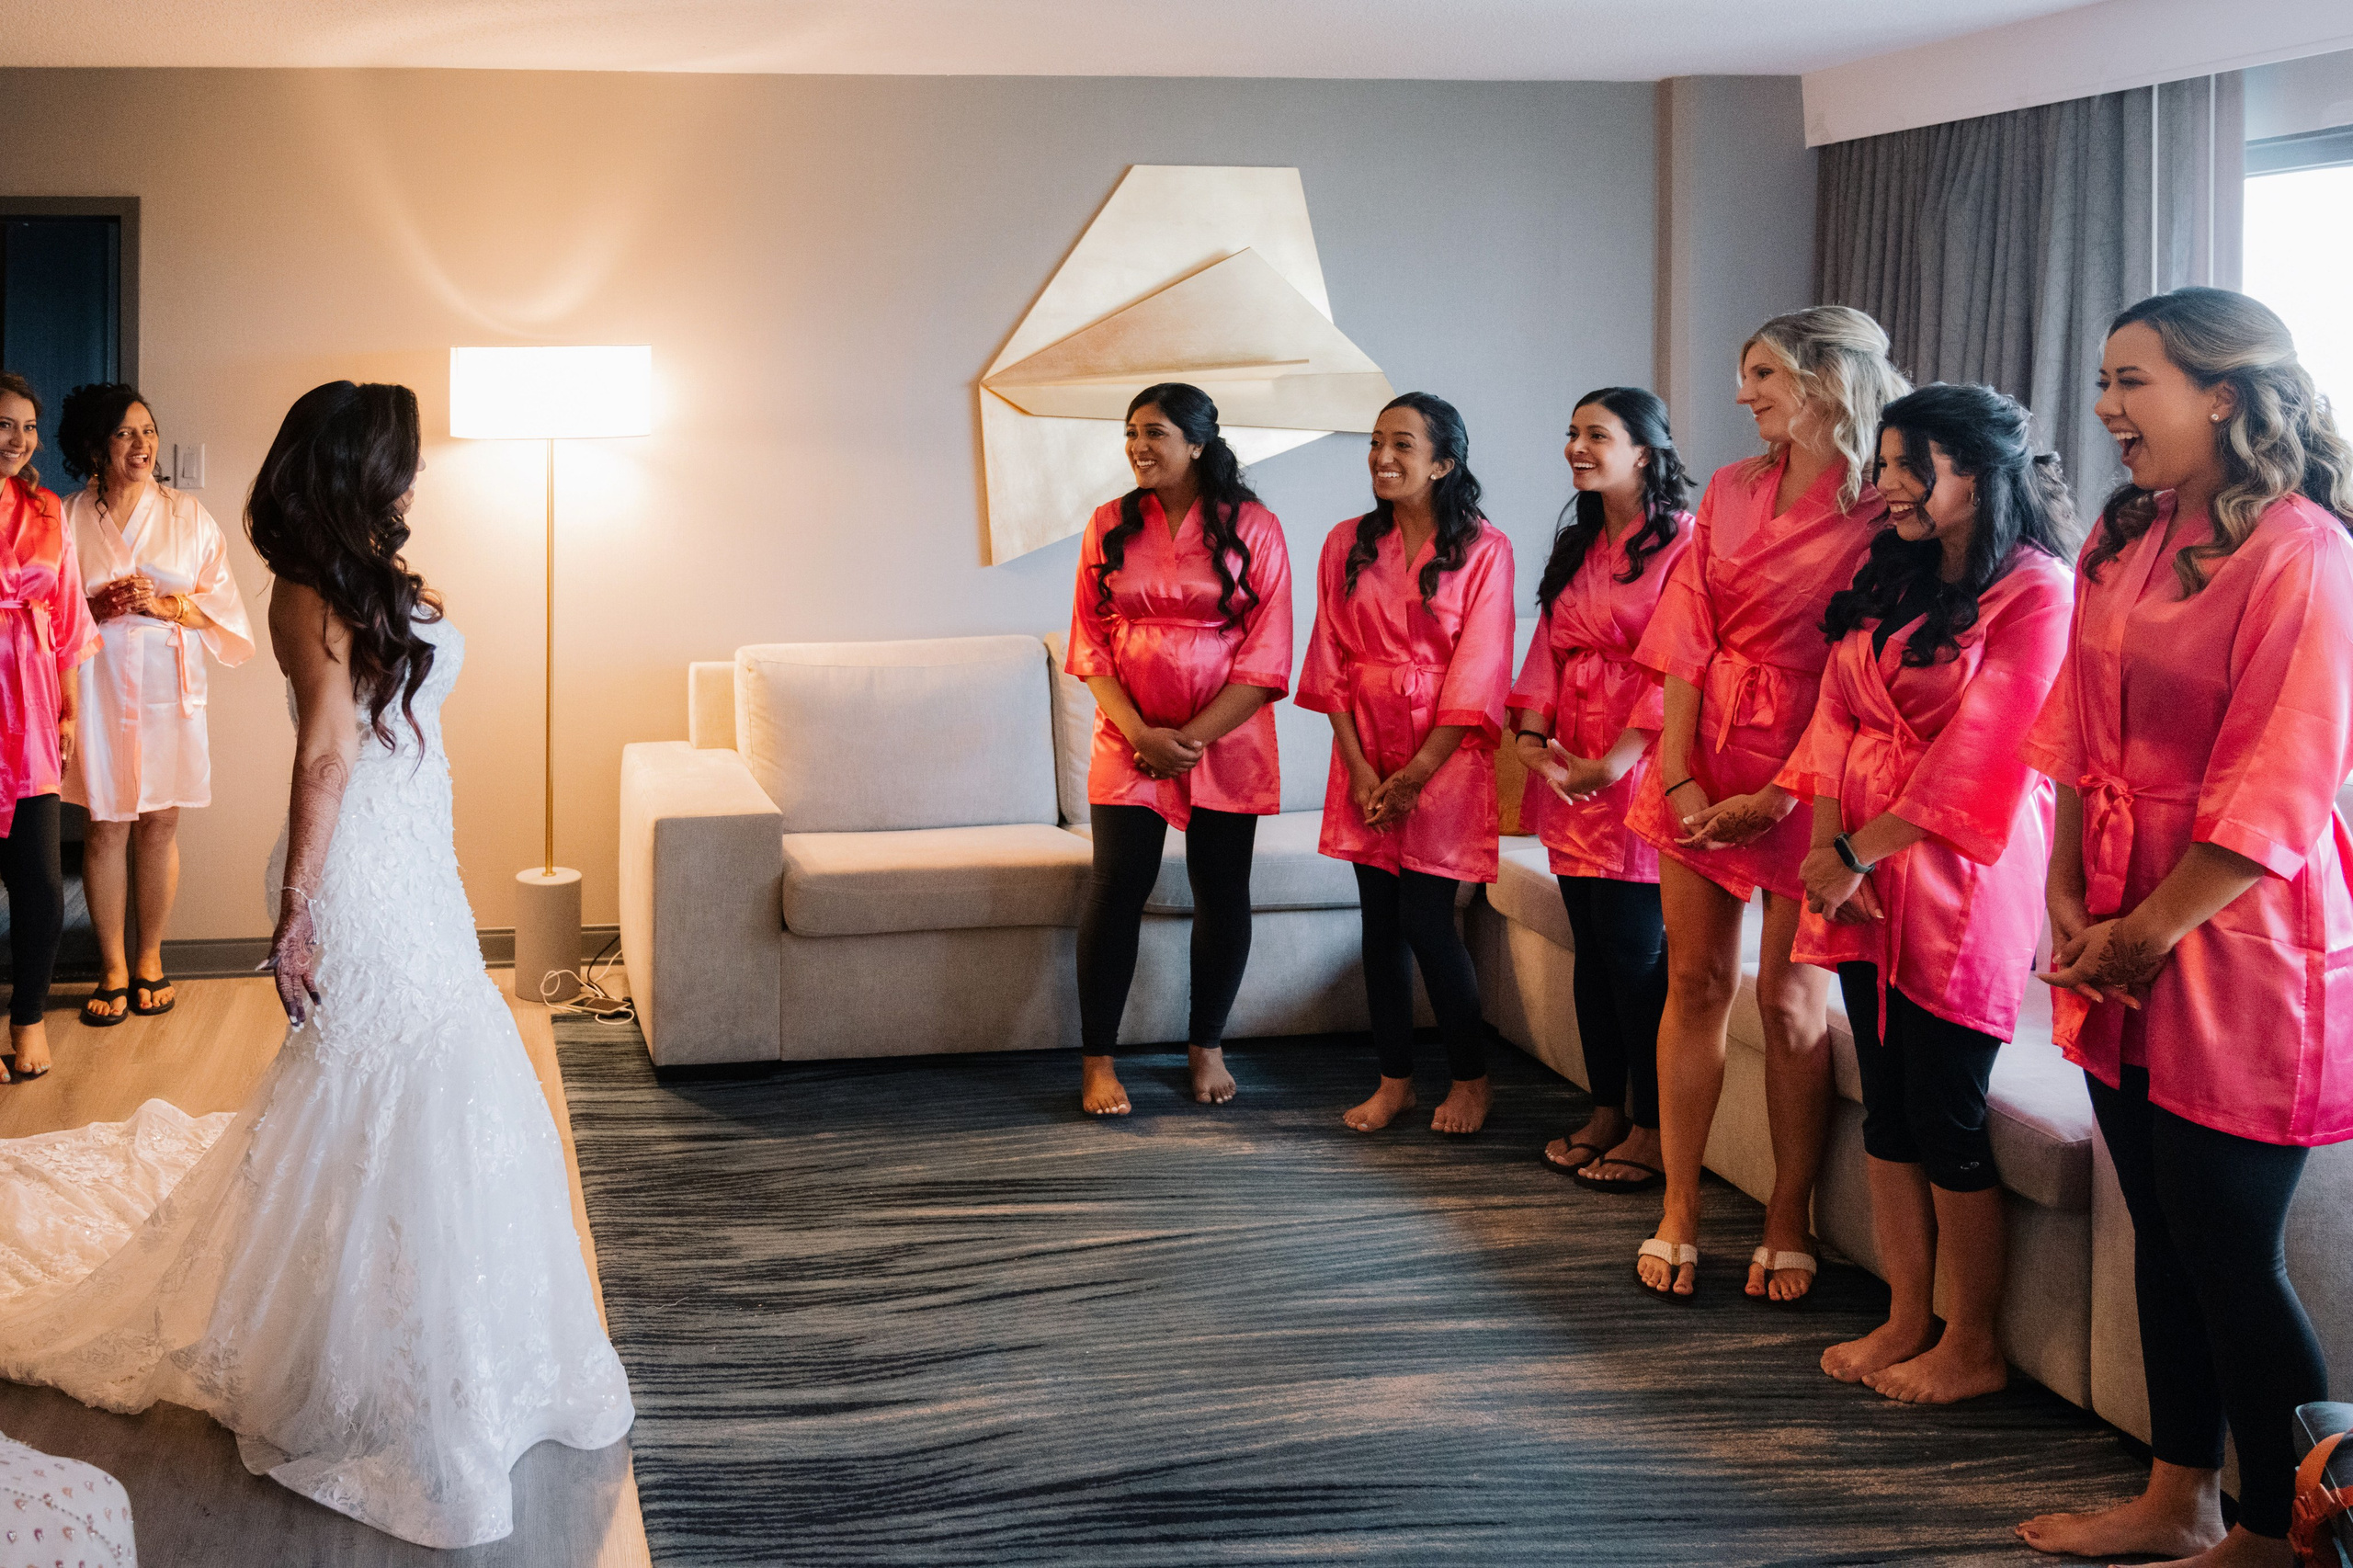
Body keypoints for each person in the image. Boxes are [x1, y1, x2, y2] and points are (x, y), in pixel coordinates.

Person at [0, 381, 632, 1548]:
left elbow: (403, 728)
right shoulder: (300, 591)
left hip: (417, 854)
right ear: (354, 468)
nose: (416, 479)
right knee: (380, 1070)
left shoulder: (373, 576)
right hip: (348, 870)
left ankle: (440, 1327)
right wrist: (297, 911)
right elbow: (327, 751)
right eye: (402, 460)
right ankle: (357, 1352)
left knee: (443, 1065)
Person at [2014, 289, 2353, 1568]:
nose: (2106, 408)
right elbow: (2068, 732)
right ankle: (2177, 1495)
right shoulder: (2128, 534)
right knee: (2157, 1219)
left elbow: (2285, 774)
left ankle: (2289, 1527)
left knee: (2229, 1244)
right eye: (2104, 379)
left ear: (2223, 392)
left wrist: (2150, 925)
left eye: (2132, 380)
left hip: (2238, 930)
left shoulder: (2304, 549)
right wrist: (2064, 894)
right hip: (2114, 908)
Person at [1784, 384, 2073, 1403]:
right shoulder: (1892, 573)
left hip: (1961, 882)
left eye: (1913, 467)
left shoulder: (2035, 589)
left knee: (1946, 1107)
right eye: (1886, 463)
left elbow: (1990, 751)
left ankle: (1973, 1341)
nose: (1889, 486)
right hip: (1859, 868)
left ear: (1979, 474)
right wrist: (1829, 850)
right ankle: (1907, 1312)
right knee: (1889, 1110)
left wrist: (1857, 851)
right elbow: (1834, 716)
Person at [1628, 305, 1908, 1301]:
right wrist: (1674, 772)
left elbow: (1867, 667)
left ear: (1825, 378)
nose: (1742, 394)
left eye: (1760, 374)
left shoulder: (1885, 505)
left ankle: (1788, 1213)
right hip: (1706, 744)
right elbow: (1683, 632)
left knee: (1790, 1001)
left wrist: (1780, 789)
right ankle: (1679, 1204)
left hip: (1818, 765)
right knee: (1695, 981)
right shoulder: (1729, 486)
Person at [1066, 382, 1293, 1115]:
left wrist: (1189, 741)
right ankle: (1098, 1061)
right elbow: (1090, 645)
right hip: (1129, 736)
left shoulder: (1255, 527)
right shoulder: (1108, 524)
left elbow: (1268, 657)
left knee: (1221, 892)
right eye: (1132, 431)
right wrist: (1143, 737)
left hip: (1224, 738)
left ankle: (1207, 1045)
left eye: (1156, 432)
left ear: (1198, 442)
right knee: (1114, 890)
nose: (1139, 445)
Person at [1298, 392, 1515, 1135]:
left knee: (1429, 922)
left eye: (1402, 445)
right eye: (1375, 442)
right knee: (1378, 924)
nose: (1381, 458)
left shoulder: (1486, 549)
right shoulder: (1344, 543)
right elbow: (1329, 656)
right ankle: (1395, 1082)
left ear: (1444, 463)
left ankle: (1471, 1080)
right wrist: (1360, 768)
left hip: (1443, 756)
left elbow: (1481, 669)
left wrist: (1418, 771)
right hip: (1365, 743)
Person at [1511, 388, 1692, 1189]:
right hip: (1569, 760)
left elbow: (1684, 662)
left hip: (1640, 766)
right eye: (1571, 432)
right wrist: (1527, 733)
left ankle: (1654, 1127)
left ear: (1645, 451)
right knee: (1591, 945)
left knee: (1634, 953)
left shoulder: (1685, 544)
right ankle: (1606, 1108)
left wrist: (1615, 762)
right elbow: (1548, 643)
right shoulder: (1580, 543)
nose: (1576, 447)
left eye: (1596, 434)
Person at [56, 382, 255, 1026]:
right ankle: (112, 966)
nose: (141, 444)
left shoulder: (187, 516)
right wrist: (96, 608)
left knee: (162, 822)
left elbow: (221, 607)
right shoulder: (65, 517)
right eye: (124, 433)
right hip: (98, 680)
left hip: (170, 687)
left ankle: (149, 957)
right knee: (107, 822)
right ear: (94, 445)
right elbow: (39, 611)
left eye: (148, 431)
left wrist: (166, 605)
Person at [0, 372, 97, 1082]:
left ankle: (29, 1014)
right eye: (5, 424)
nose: (19, 440)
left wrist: (66, 707)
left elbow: (65, 616)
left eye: (27, 428)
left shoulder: (44, 511)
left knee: (37, 877)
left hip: (29, 699)